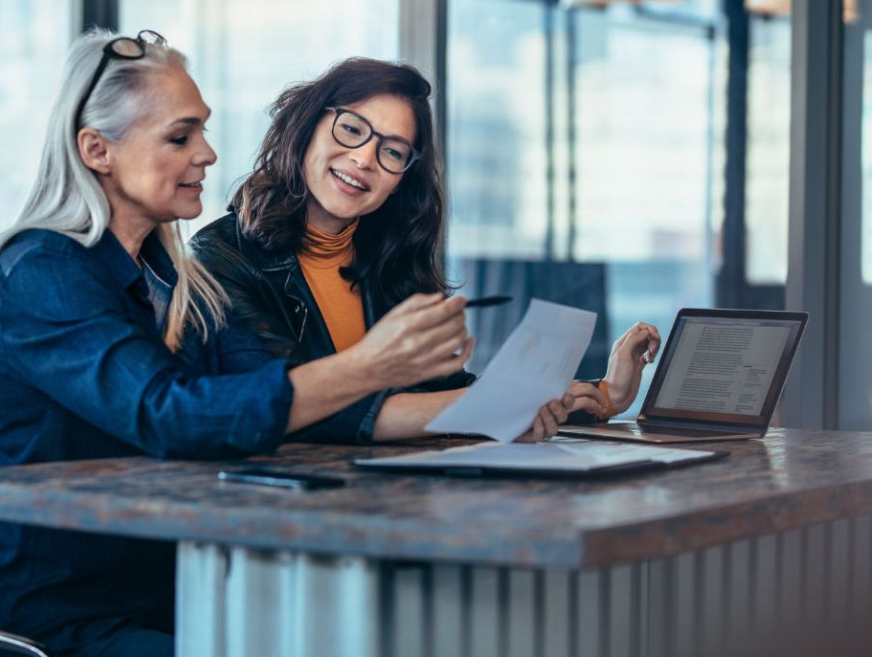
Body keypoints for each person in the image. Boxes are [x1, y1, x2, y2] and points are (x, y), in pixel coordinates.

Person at [0, 32, 477, 657]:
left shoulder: (178, 279)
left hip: (168, 589)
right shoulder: (40, 271)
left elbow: (286, 395)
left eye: (204, 131)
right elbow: (172, 415)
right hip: (58, 611)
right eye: (181, 137)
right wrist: (371, 365)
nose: (208, 154)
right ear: (97, 149)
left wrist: (504, 412)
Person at [190, 57, 660, 443]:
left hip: (390, 500)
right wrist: (501, 407)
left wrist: (602, 394)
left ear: (401, 181)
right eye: (351, 129)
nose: (364, 159)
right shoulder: (219, 259)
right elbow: (295, 406)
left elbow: (442, 393)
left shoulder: (387, 261)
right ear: (307, 127)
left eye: (392, 151)